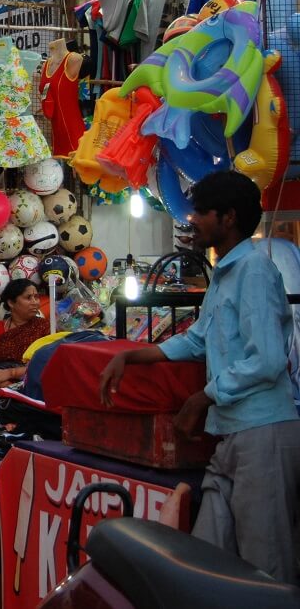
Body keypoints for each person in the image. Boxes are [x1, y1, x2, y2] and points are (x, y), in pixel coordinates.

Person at [99, 171, 300, 584]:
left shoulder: (255, 272)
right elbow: (197, 340)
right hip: (230, 435)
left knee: (266, 567)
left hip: (262, 433)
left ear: (227, 218)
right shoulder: (225, 273)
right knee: (207, 560)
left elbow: (266, 359)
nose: (192, 221)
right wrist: (132, 357)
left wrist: (202, 397)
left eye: (200, 213)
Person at [0, 278, 49, 389]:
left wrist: (12, 373)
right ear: (11, 303)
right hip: (0, 389)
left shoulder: (45, 327)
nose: (35, 302)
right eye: (28, 297)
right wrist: (5, 386)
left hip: (34, 389)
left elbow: (46, 365)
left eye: (36, 297)